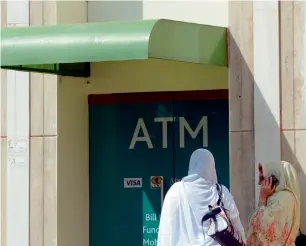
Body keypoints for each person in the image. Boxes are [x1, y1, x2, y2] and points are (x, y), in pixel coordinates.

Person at [157, 148, 246, 246]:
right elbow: (236, 222)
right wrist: (244, 240)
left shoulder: (176, 191)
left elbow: (167, 229)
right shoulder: (221, 191)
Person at [246, 161, 301, 246]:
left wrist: (263, 197)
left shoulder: (282, 197)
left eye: (274, 176)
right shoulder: (290, 197)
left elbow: (262, 224)